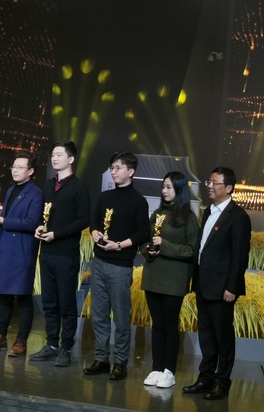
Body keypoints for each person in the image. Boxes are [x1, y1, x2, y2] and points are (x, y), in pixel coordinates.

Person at [183, 167, 251, 401]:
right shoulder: (208, 212)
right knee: (206, 336)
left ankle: (222, 382)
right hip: (203, 284)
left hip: (223, 288)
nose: (209, 186)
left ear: (229, 188)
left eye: (215, 183)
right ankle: (206, 378)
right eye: (208, 182)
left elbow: (240, 256)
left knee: (223, 338)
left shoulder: (238, 216)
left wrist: (232, 287)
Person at [84, 152, 150, 379]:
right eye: (112, 167)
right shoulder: (105, 197)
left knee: (121, 317)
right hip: (99, 261)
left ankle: (120, 362)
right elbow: (94, 221)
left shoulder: (138, 201)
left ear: (131, 171)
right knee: (99, 314)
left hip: (120, 265)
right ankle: (101, 358)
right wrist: (95, 232)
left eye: (118, 167)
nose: (113, 171)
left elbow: (143, 232)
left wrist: (119, 245)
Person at [29, 141, 90, 367]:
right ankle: (51, 344)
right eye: (53, 155)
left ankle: (66, 347)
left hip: (66, 253)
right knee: (49, 302)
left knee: (66, 303)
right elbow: (42, 214)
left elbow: (83, 220)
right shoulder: (48, 185)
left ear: (71, 159)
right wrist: (39, 226)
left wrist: (57, 234)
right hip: (46, 251)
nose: (54, 158)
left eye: (59, 155)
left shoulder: (79, 187)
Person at [140, 172, 199, 389]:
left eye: (169, 187)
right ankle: (157, 368)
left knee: (169, 326)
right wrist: (149, 250)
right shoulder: (157, 214)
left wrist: (163, 245)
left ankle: (169, 371)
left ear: (180, 190)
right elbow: (145, 242)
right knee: (157, 326)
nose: (164, 191)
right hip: (153, 277)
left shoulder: (189, 218)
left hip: (174, 280)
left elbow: (191, 251)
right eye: (163, 187)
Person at [0, 153, 43, 357]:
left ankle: (21, 340)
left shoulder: (36, 194)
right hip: (6, 247)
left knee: (23, 296)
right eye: (13, 167)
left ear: (30, 171)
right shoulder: (10, 190)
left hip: (22, 249)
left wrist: (4, 220)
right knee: (4, 294)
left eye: (19, 167)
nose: (15, 170)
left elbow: (31, 222)